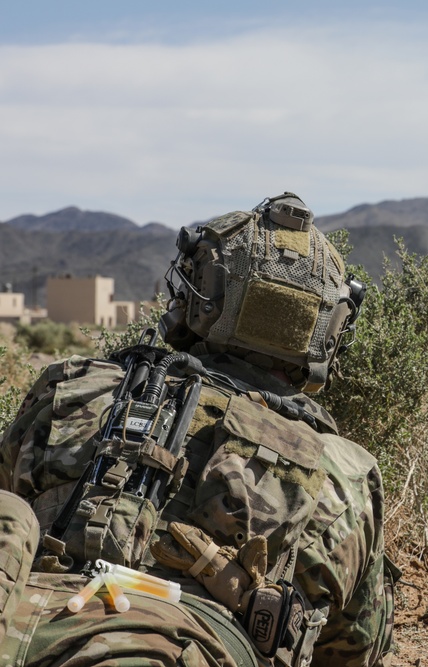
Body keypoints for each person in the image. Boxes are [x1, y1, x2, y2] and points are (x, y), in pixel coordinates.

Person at [0, 192, 394, 667]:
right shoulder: (346, 474)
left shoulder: (70, 390)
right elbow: (351, 652)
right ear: (327, 330)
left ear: (199, 293)